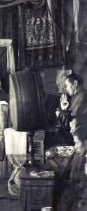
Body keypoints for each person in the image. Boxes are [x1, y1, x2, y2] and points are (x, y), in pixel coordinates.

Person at [57, 73, 87, 211]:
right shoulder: (77, 97)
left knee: (75, 178)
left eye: (68, 86)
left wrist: (81, 142)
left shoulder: (82, 98)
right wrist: (65, 110)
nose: (67, 90)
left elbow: (79, 123)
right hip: (80, 141)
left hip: (83, 143)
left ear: (75, 84)